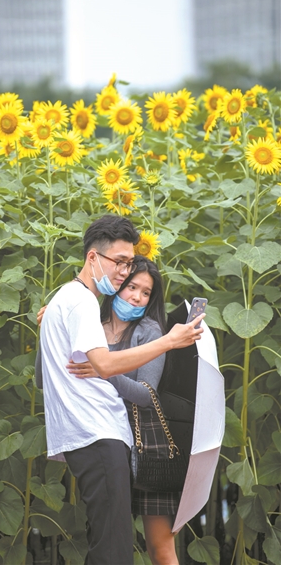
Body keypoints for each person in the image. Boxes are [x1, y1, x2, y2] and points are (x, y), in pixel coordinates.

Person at [37, 215, 204, 565]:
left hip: (107, 439)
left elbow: (132, 384)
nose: (124, 272)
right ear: (93, 258)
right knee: (113, 551)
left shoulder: (68, 300)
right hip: (98, 435)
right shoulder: (82, 304)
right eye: (120, 263)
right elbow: (105, 365)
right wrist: (171, 342)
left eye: (129, 264)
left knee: (110, 546)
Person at [66, 255, 180, 565]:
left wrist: (105, 369)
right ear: (118, 285)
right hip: (103, 443)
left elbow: (145, 395)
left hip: (145, 452)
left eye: (146, 293)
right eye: (132, 287)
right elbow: (49, 375)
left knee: (160, 547)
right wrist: (49, 325)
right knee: (109, 538)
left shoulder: (150, 332)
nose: (137, 297)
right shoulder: (91, 326)